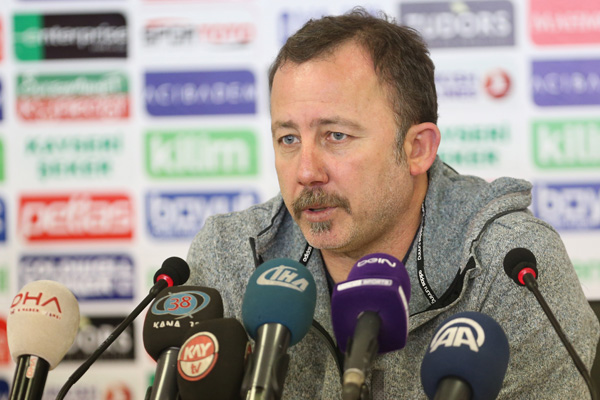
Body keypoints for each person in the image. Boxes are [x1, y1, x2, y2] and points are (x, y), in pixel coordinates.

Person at [187, 8, 599, 399]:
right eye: (288, 139)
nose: (306, 171)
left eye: (336, 135)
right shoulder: (230, 257)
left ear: (417, 149)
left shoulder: (509, 267)